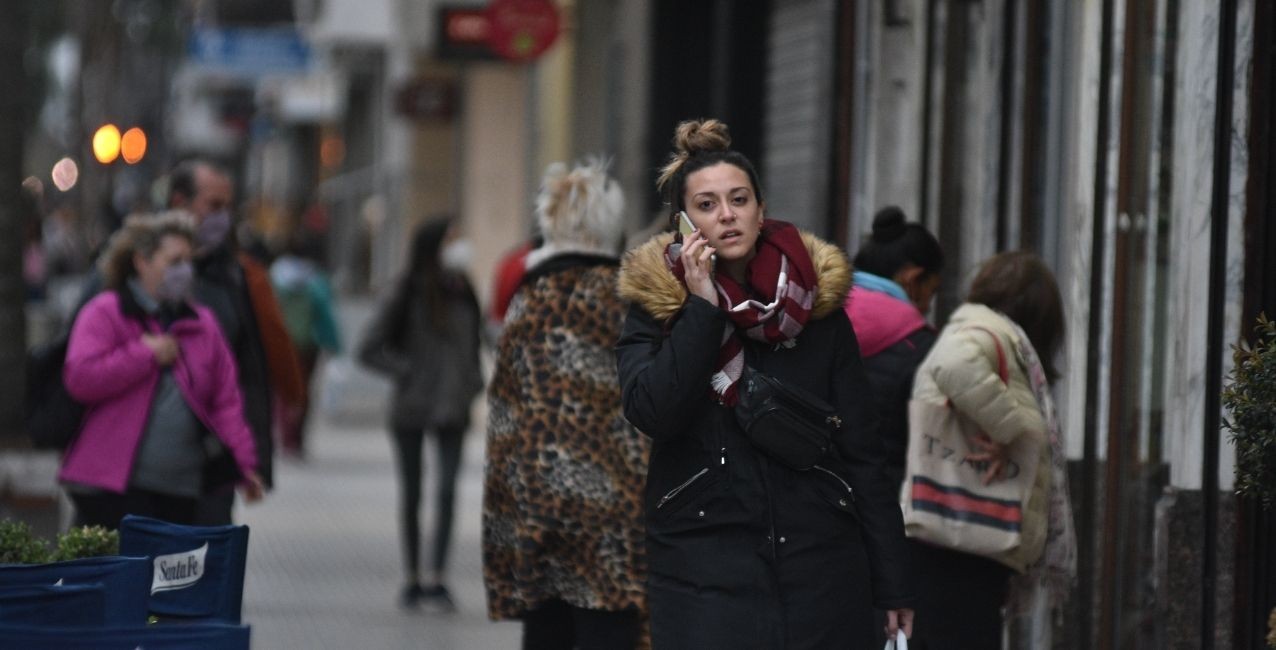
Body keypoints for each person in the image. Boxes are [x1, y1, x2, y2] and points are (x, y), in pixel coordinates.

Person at [615, 118, 914, 648]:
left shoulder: (815, 309)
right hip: (704, 566)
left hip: (819, 566)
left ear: (761, 209)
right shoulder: (657, 308)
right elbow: (654, 412)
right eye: (707, 205)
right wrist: (702, 309)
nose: (727, 215)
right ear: (683, 224)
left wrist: (893, 584)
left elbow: (864, 454)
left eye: (739, 199)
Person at [483, 160, 649, 649]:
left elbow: (504, 418)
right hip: (618, 508)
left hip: (540, 506)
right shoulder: (629, 301)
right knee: (612, 630)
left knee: (547, 631)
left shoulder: (530, 300)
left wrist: (506, 524)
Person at [906, 250, 1076, 649]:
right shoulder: (987, 332)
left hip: (960, 537)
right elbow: (951, 365)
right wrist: (1009, 430)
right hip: (962, 537)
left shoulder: (988, 333)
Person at [59, 211, 264, 528]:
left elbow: (225, 401)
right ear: (142, 261)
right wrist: (145, 354)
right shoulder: (106, 312)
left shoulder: (201, 324)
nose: (185, 270)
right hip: (113, 491)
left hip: (183, 491)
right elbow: (81, 378)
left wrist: (244, 463)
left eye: (188, 261)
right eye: (174, 261)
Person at [168, 159, 305, 525]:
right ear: (179, 202)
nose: (222, 218)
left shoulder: (240, 276)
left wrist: (250, 459)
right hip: (148, 464)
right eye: (213, 205)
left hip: (214, 459)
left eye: (227, 207)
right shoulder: (136, 268)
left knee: (210, 552)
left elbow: (250, 372)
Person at [358, 217, 483, 612]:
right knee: (412, 493)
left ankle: (438, 577)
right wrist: (407, 372)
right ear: (434, 245)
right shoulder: (406, 288)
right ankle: (412, 576)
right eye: (452, 239)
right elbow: (368, 347)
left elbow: (475, 339)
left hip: (453, 405)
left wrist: (473, 380)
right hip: (412, 406)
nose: (459, 246)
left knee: (446, 492)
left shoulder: (464, 289)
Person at [844, 206, 944, 489]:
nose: (928, 307)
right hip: (883, 496)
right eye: (931, 292)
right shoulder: (921, 348)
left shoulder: (811, 315)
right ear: (912, 279)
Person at [270, 236, 343, 458]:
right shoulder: (316, 280)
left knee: (283, 391)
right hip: (307, 345)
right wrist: (334, 344)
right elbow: (325, 315)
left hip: (281, 344)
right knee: (303, 392)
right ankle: (297, 438)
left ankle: (287, 436)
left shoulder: (274, 276)